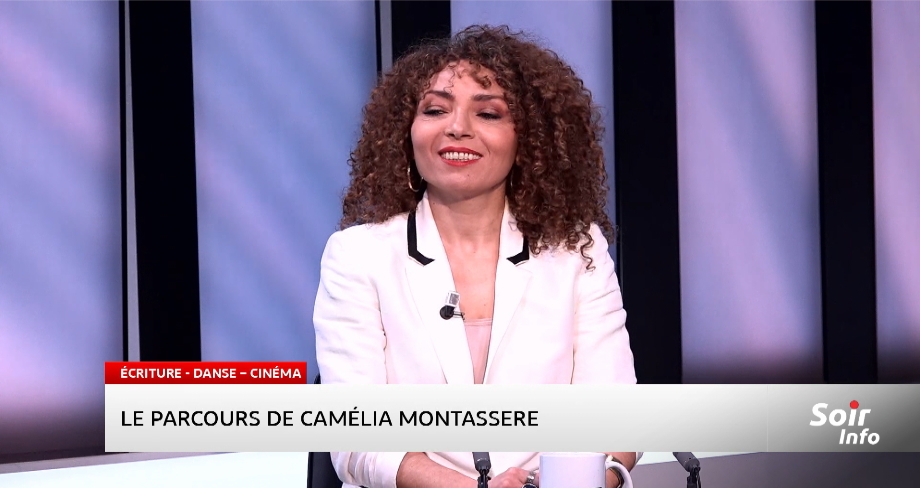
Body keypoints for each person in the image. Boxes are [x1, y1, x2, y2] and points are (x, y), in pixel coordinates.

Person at [313, 25, 638, 488]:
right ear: (407, 132)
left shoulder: (575, 250)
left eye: (487, 113)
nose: (457, 127)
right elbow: (357, 439)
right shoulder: (358, 255)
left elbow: (617, 417)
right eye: (435, 109)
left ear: (529, 139)